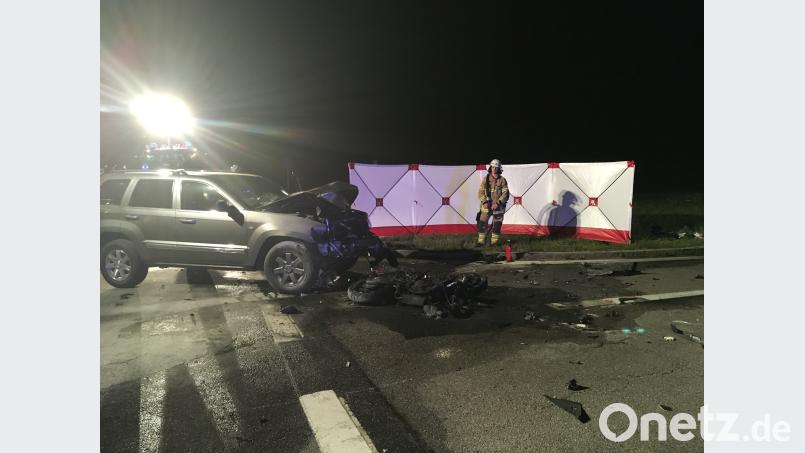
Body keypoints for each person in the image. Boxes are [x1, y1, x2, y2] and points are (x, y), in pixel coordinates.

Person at [476, 159, 509, 246]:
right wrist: (484, 202)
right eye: (493, 167)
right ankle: (480, 242)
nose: (494, 169)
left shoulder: (502, 180)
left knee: (497, 225)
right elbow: (480, 192)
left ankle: (494, 244)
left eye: (496, 167)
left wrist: (497, 203)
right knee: (482, 224)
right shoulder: (485, 179)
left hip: (498, 206)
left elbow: (505, 194)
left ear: (499, 169)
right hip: (486, 206)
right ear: (491, 167)